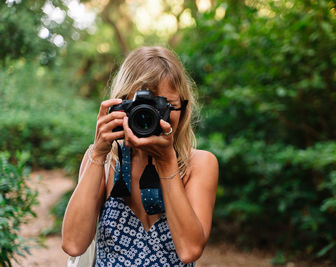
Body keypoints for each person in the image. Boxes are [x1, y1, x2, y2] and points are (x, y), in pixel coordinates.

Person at [62, 46, 219, 266]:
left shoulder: (200, 164)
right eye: (142, 107)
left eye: (167, 106)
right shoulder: (104, 162)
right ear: (120, 105)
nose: (150, 117)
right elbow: (72, 244)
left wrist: (166, 164)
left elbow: (190, 250)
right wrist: (98, 153)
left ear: (183, 108)